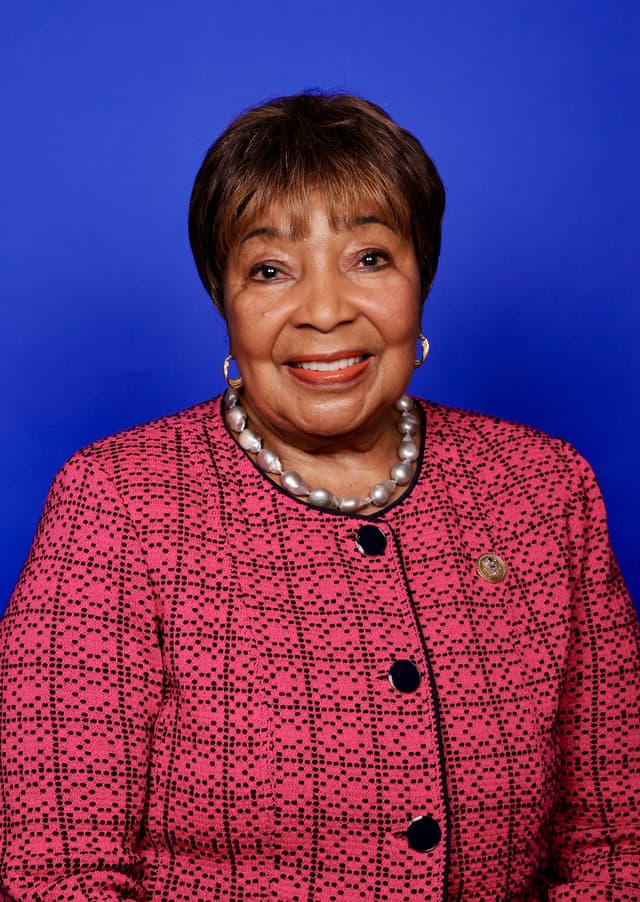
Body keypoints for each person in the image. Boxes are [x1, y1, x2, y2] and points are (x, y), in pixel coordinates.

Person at [0, 92, 638, 901]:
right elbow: (52, 872)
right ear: (224, 305)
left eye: (370, 258)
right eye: (269, 270)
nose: (326, 311)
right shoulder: (118, 504)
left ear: (422, 281)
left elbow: (620, 841)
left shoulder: (543, 489)